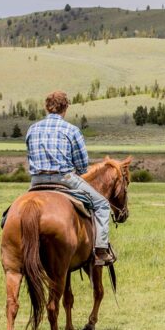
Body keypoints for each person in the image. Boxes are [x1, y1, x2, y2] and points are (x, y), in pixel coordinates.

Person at [25, 90, 115, 266]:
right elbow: (82, 166)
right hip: (64, 179)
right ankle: (100, 251)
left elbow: (30, 157)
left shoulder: (32, 129)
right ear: (65, 108)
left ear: (47, 107)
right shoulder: (71, 130)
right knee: (102, 204)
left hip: (36, 181)